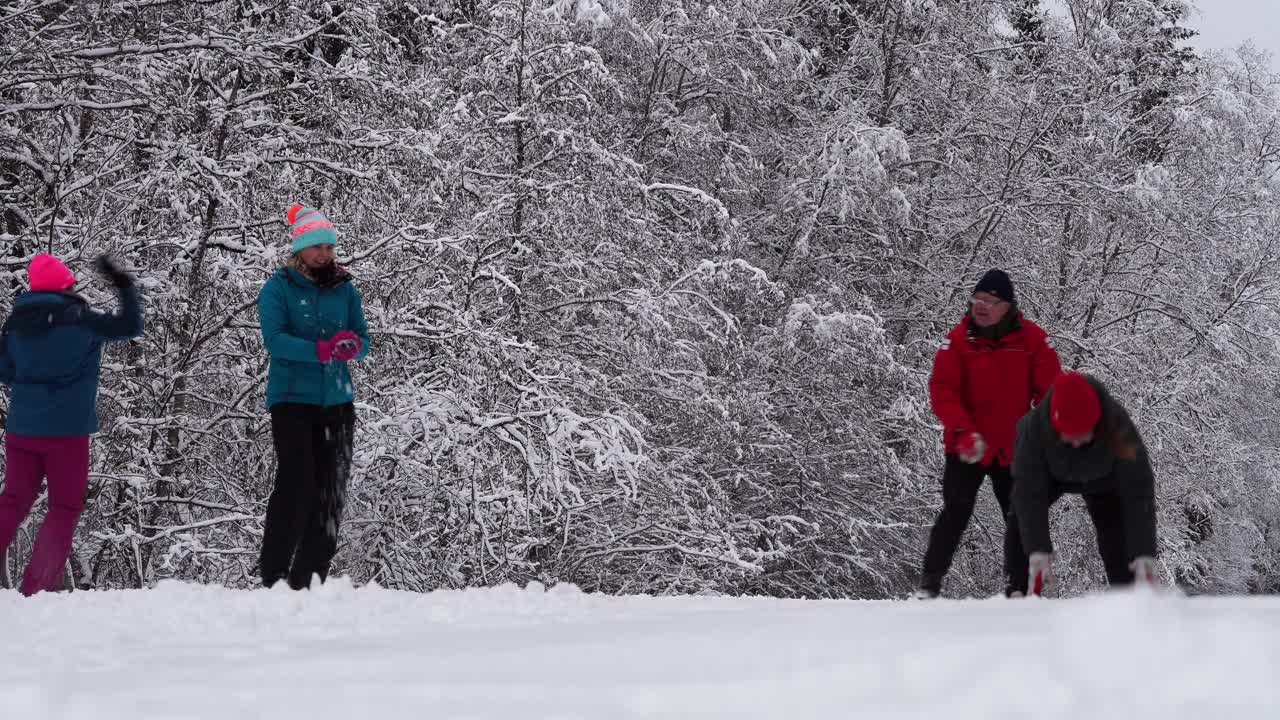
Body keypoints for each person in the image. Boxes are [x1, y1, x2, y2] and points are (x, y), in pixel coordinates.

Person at [0, 252, 143, 596]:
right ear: (66, 286)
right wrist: (123, 285)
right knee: (63, 506)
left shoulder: (15, 325)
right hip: (66, 433)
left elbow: (4, 372)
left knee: (14, 499)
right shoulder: (83, 320)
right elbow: (130, 326)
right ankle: (36, 589)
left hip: (22, 429)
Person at [914, 269, 1061, 599]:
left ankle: (1018, 591)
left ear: (1006, 305)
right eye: (976, 300)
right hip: (967, 443)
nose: (980, 307)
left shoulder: (1033, 340)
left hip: (1012, 446)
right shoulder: (958, 339)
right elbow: (942, 388)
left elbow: (1051, 391)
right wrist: (962, 429)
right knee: (955, 511)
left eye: (989, 301)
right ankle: (928, 585)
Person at [257, 203, 369, 590]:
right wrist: (321, 350)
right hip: (292, 399)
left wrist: (349, 346)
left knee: (332, 491)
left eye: (329, 247)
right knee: (297, 483)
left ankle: (310, 580)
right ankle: (273, 575)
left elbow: (362, 338)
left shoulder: (345, 288)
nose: (324, 254)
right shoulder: (278, 288)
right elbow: (275, 340)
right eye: (317, 246)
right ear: (299, 248)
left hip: (337, 400)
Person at [1010, 370, 1158, 596]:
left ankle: (1127, 597)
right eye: (1071, 435)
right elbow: (1028, 495)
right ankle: (1017, 590)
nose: (1077, 443)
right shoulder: (1034, 430)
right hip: (1052, 477)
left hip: (1103, 481)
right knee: (1019, 518)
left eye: (1083, 433)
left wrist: (1143, 550)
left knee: (1115, 533)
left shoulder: (1116, 424)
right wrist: (1037, 549)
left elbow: (1138, 488)